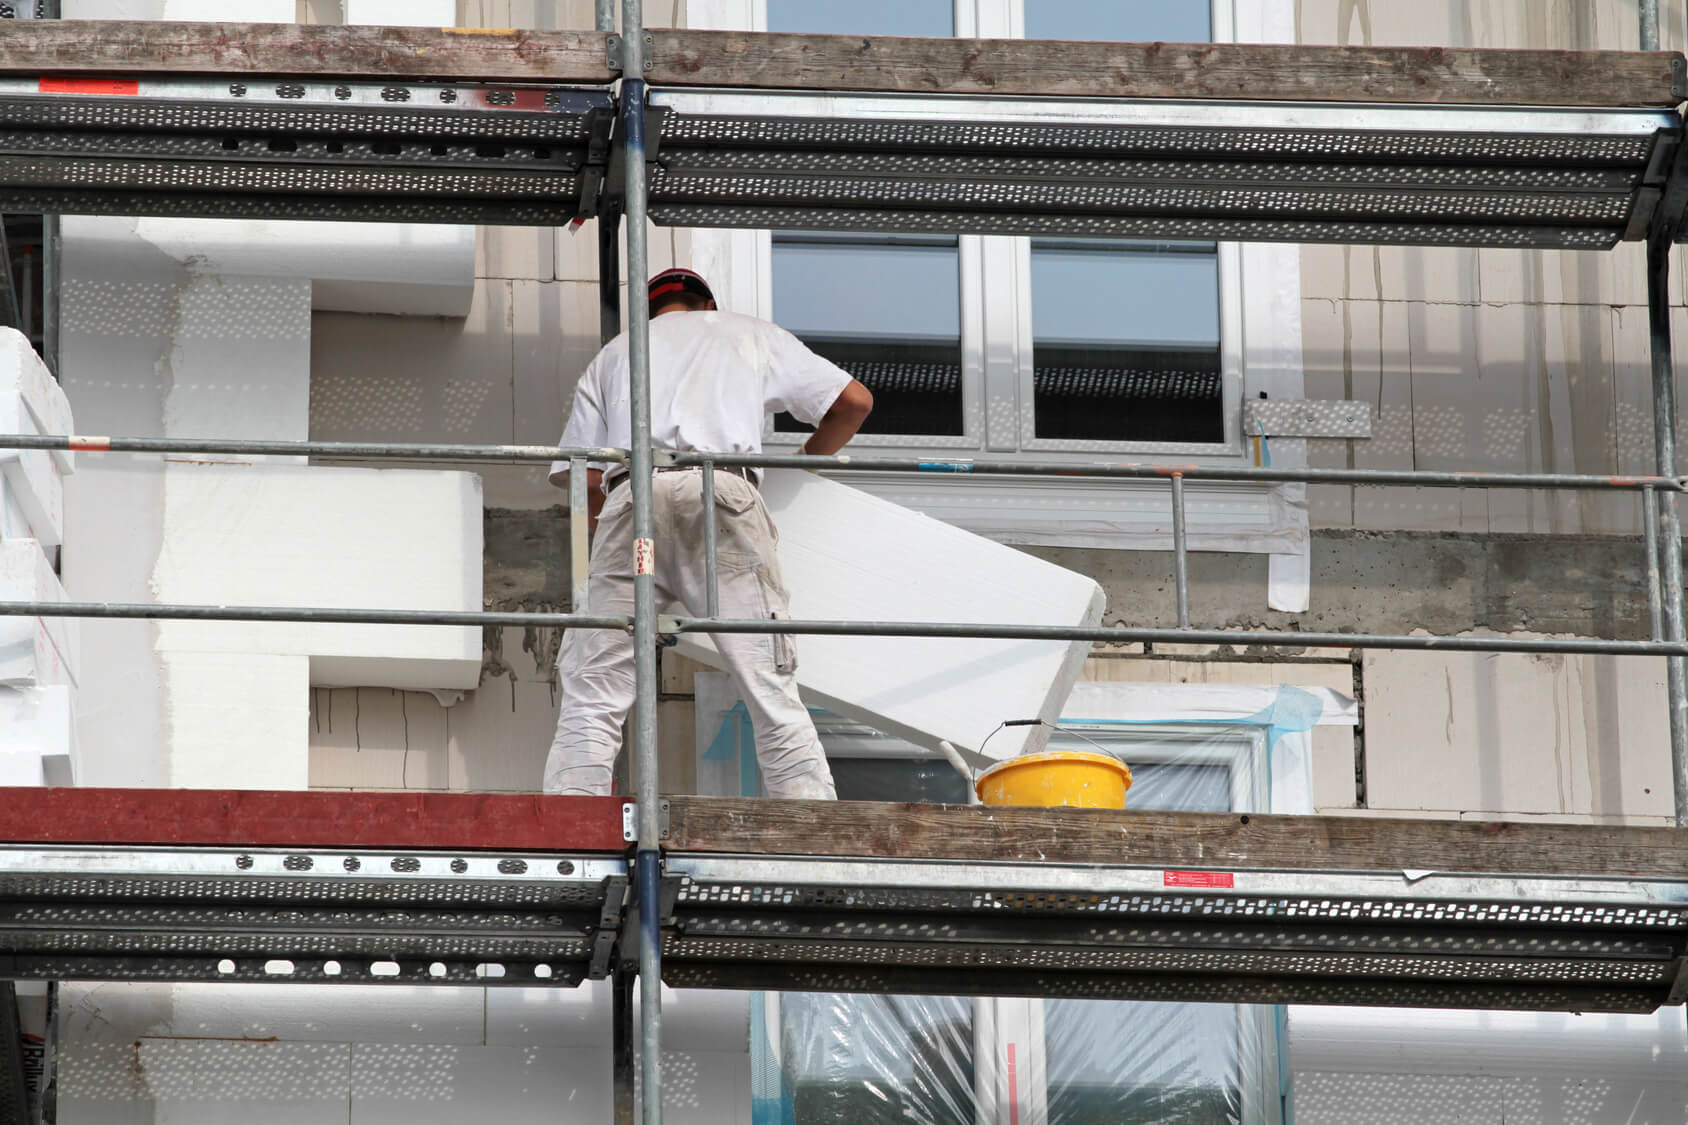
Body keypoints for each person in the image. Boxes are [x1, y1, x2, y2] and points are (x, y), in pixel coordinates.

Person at [542, 267, 874, 799]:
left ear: (652, 311)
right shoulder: (747, 334)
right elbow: (853, 403)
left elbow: (584, 481)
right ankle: (810, 828)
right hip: (720, 495)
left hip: (634, 505)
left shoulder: (614, 355)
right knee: (767, 680)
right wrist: (806, 462)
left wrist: (626, 555)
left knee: (595, 687)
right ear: (707, 306)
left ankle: (568, 827)